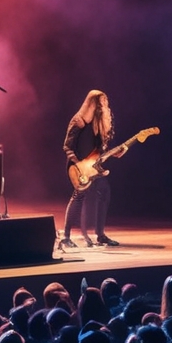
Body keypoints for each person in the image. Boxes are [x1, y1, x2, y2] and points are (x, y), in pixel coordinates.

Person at [61, 90, 122, 249]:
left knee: (104, 191)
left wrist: (114, 153)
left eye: (105, 103)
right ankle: (66, 237)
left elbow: (99, 150)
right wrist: (79, 164)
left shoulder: (100, 123)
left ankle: (100, 235)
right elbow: (67, 147)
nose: (103, 106)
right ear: (92, 103)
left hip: (93, 166)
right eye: (100, 103)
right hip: (77, 166)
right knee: (79, 196)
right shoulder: (79, 121)